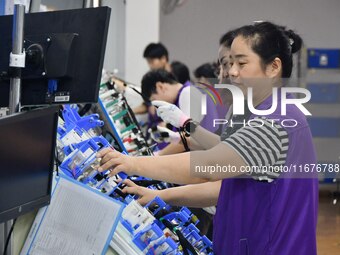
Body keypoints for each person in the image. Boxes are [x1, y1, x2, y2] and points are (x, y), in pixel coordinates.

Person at [98, 21, 318, 254]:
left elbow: (209, 166)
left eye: (241, 63)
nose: (231, 72)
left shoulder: (277, 121)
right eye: (230, 63)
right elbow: (224, 189)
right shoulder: (263, 112)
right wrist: (159, 195)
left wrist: (134, 163)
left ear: (273, 67)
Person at [141, 69, 221, 155]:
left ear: (160, 87)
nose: (157, 108)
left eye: (154, 99)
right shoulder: (185, 93)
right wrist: (172, 136)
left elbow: (188, 137)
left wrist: (157, 155)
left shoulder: (187, 93)